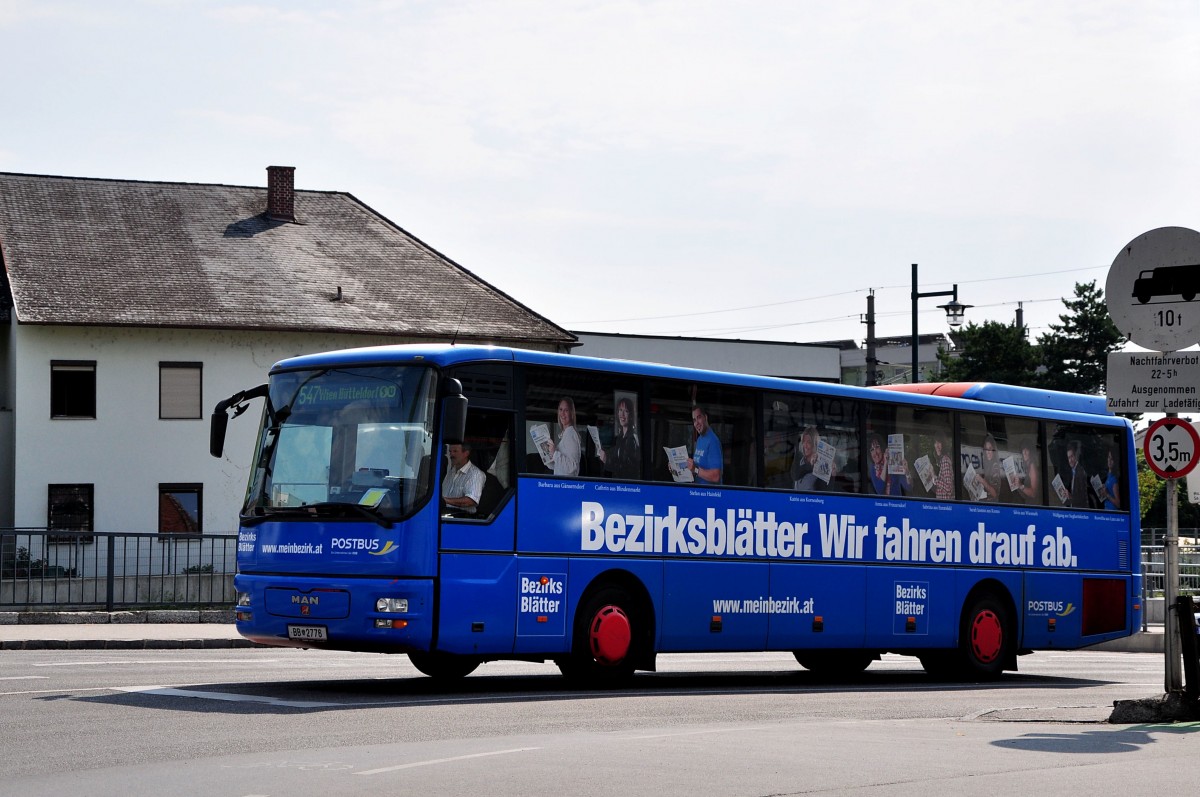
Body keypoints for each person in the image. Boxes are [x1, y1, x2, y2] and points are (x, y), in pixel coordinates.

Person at [599, 396, 641, 479]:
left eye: (626, 411)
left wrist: (606, 461)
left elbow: (627, 469)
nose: (622, 414)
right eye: (620, 410)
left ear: (631, 415)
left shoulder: (631, 439)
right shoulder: (620, 437)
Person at [442, 441, 485, 514]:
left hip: (463, 516)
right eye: (450, 451)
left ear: (466, 453)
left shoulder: (475, 474)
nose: (451, 455)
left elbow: (470, 501)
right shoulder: (451, 471)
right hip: (445, 514)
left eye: (455, 451)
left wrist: (444, 500)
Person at [686, 404, 723, 484]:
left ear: (705, 417)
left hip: (710, 492)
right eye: (694, 420)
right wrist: (677, 467)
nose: (696, 423)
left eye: (699, 417)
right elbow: (697, 470)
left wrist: (695, 469)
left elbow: (716, 477)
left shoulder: (713, 441)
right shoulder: (700, 439)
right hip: (698, 490)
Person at [791, 425, 835, 491]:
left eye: (809, 442)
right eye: (803, 441)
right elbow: (795, 476)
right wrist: (810, 466)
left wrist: (831, 475)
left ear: (815, 444)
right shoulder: (799, 460)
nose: (805, 445)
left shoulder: (821, 463)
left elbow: (825, 491)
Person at [546, 396, 581, 477]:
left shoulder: (571, 434)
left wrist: (555, 453)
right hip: (561, 483)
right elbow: (558, 466)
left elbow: (572, 467)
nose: (562, 414)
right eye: (561, 409)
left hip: (567, 484)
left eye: (566, 410)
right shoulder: (566, 434)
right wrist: (547, 455)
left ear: (571, 413)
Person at [976, 434, 1003, 502]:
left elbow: (994, 494)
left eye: (990, 449)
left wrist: (982, 481)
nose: (987, 452)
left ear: (994, 451)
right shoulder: (988, 464)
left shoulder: (995, 467)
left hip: (992, 505)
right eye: (986, 449)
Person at [1016, 438, 1041, 504]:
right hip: (1026, 503)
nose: (1024, 452)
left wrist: (1020, 485)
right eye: (1023, 450)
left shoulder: (1032, 467)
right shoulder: (1025, 465)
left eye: (1027, 450)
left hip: (1032, 505)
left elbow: (1033, 494)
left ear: (1031, 452)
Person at [1066, 440, 1090, 507]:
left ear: (1076, 456)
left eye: (1072, 456)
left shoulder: (1080, 472)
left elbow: (1082, 498)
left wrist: (1071, 497)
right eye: (1069, 458)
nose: (1070, 460)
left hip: (1081, 510)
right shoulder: (1073, 471)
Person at [932, 432, 954, 500]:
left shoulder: (945, 461)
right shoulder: (942, 460)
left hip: (945, 503)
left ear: (943, 444)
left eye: (939, 442)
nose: (937, 445)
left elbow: (948, 488)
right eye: (935, 443)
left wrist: (934, 478)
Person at [1103, 446, 1121, 510]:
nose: (1109, 460)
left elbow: (1118, 504)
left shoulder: (1114, 479)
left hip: (1112, 512)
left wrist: (1107, 495)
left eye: (1112, 459)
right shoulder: (1109, 475)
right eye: (1109, 457)